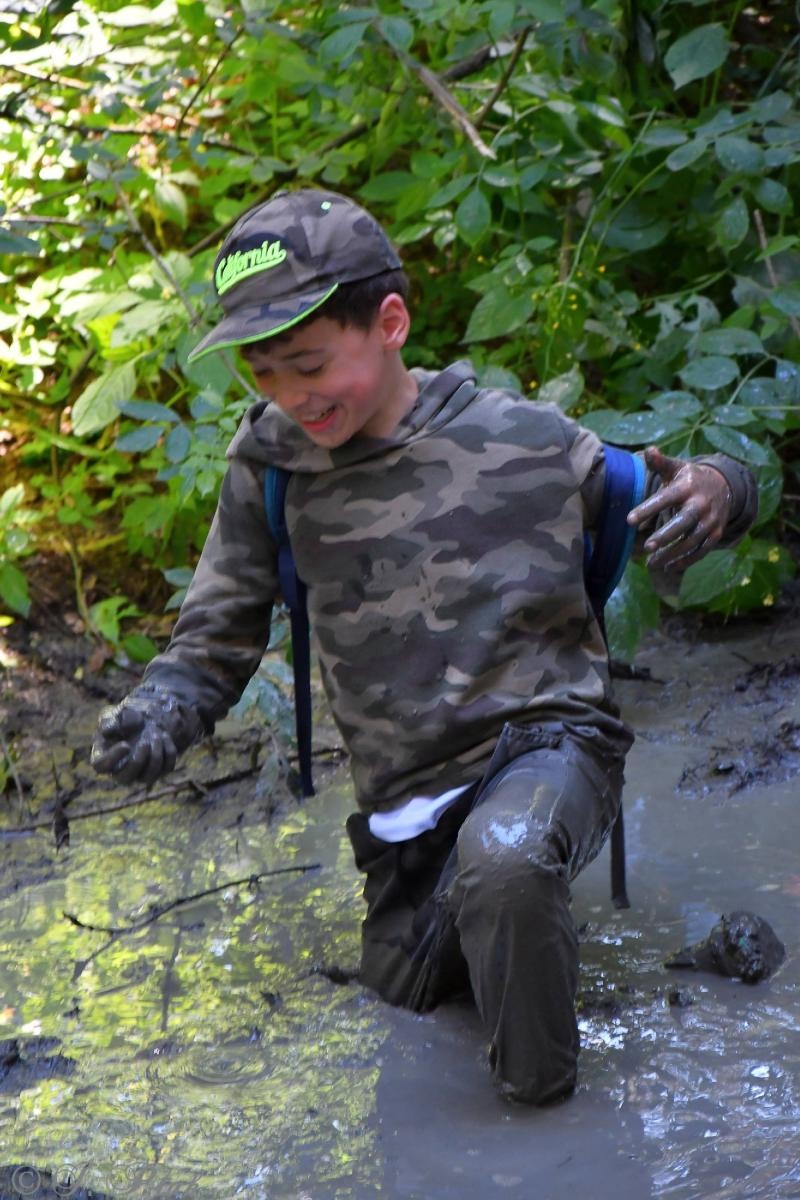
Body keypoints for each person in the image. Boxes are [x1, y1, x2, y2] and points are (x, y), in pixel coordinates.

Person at [91, 188, 757, 1104]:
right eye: (263, 374)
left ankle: (543, 1136)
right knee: (411, 1011)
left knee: (510, 860)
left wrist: (724, 485)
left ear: (391, 322)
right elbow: (215, 638)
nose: (291, 395)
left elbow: (683, 482)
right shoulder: (271, 471)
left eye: (311, 364)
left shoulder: (520, 439)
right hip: (406, 818)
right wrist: (160, 715)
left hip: (550, 744)